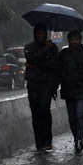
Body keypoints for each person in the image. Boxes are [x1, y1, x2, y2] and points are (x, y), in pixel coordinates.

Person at [24, 23, 60, 152]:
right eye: (38, 33)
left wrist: (55, 86)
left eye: (42, 33)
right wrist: (44, 50)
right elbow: (32, 59)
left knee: (45, 111)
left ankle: (47, 141)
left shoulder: (53, 48)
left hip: (47, 84)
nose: (40, 36)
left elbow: (56, 67)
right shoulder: (28, 47)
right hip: (33, 84)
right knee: (36, 115)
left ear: (46, 34)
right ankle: (39, 142)